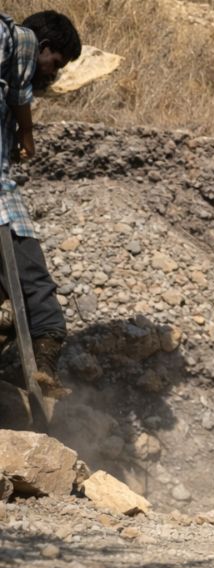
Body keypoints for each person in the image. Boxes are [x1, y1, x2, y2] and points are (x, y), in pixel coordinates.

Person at [0, 11, 80, 395]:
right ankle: (44, 358)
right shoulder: (22, 39)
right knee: (33, 278)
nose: (52, 73)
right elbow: (20, 94)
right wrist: (27, 131)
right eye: (56, 64)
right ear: (44, 47)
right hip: (1, 205)